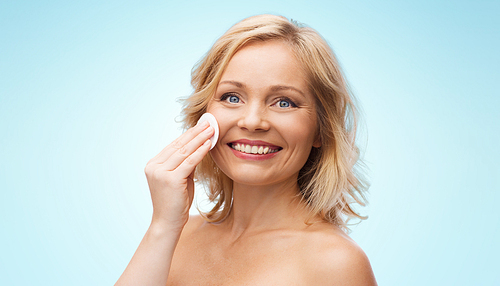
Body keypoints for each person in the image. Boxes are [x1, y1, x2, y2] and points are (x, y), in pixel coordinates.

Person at [116, 14, 377, 285]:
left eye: (284, 102)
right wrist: (162, 226)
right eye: (232, 97)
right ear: (204, 115)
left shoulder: (336, 262)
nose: (252, 121)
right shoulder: (176, 236)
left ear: (321, 129)